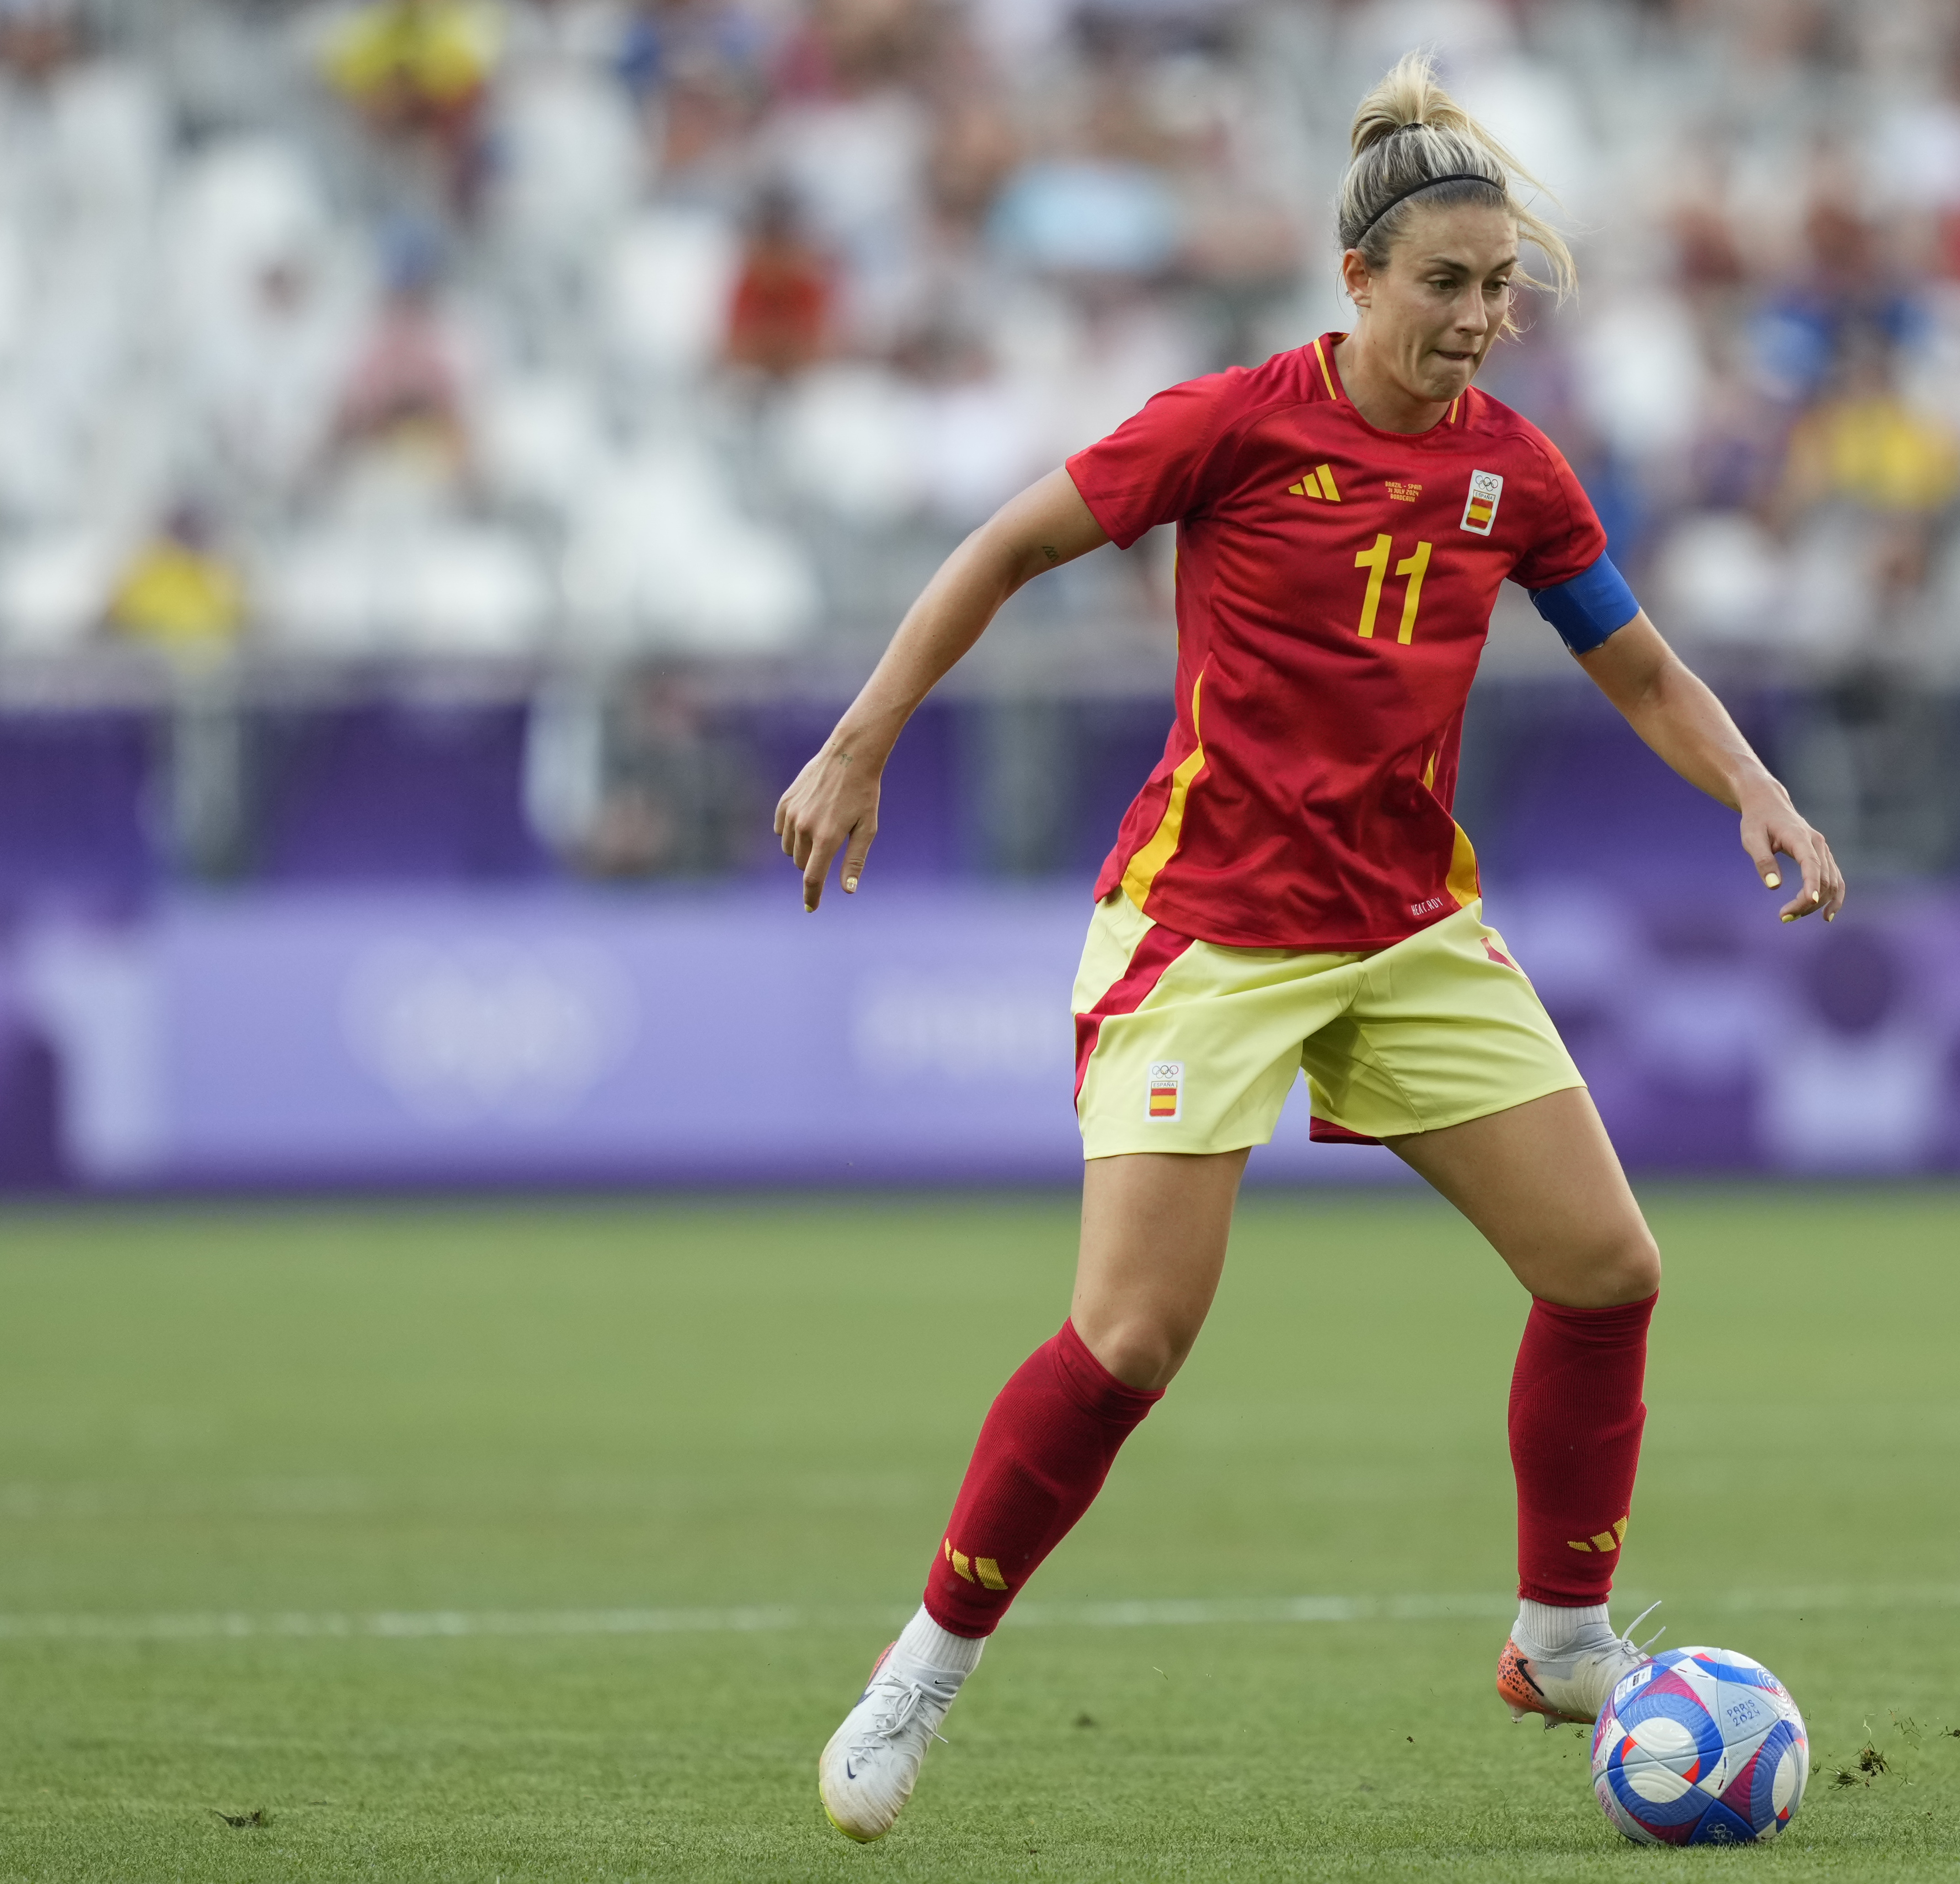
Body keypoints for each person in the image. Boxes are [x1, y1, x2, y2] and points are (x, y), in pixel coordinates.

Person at [773, 52, 1846, 1845]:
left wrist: (1754, 788)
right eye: (1445, 285)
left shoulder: (1515, 474)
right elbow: (1009, 543)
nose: (1479, 320)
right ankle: (923, 1669)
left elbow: (1638, 663)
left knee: (1605, 1267)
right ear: (1355, 281)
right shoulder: (1233, 425)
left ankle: (1561, 1636)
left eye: (1498, 288)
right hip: (1210, 930)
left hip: (1409, 929)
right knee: (1127, 1339)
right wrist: (860, 735)